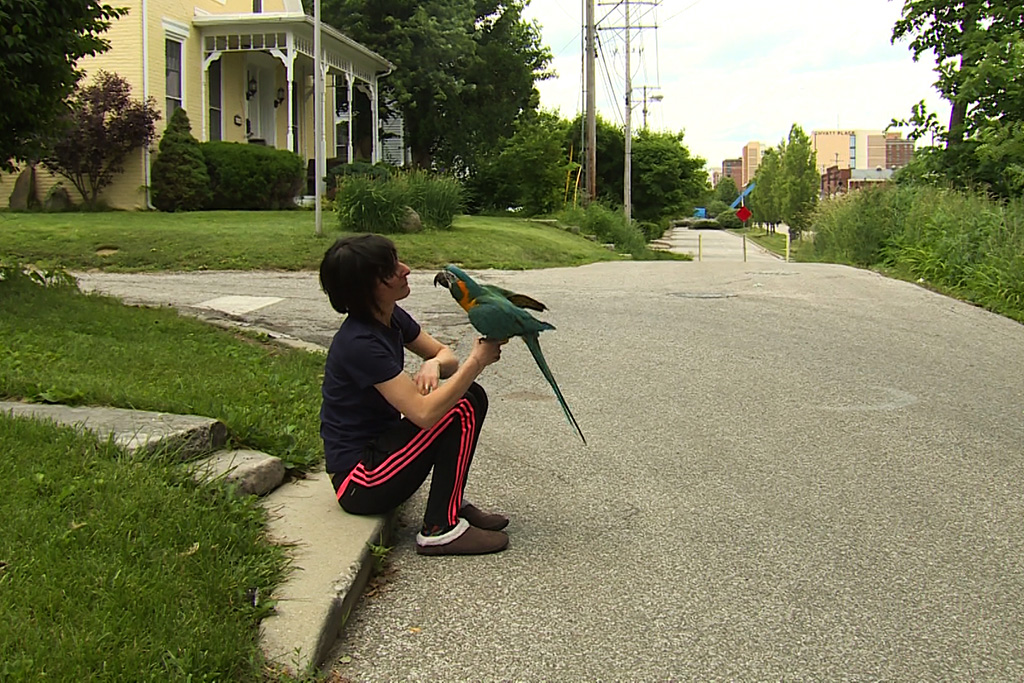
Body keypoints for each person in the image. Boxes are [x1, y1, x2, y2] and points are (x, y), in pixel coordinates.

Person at [318, 234, 509, 556]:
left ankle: (450, 503)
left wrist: (433, 364)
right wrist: (478, 360)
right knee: (460, 406)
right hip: (361, 481)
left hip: (383, 454)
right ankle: (440, 529)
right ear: (368, 287)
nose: (405, 269)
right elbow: (422, 414)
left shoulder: (389, 317)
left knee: (470, 396)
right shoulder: (360, 342)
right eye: (391, 268)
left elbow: (446, 356)